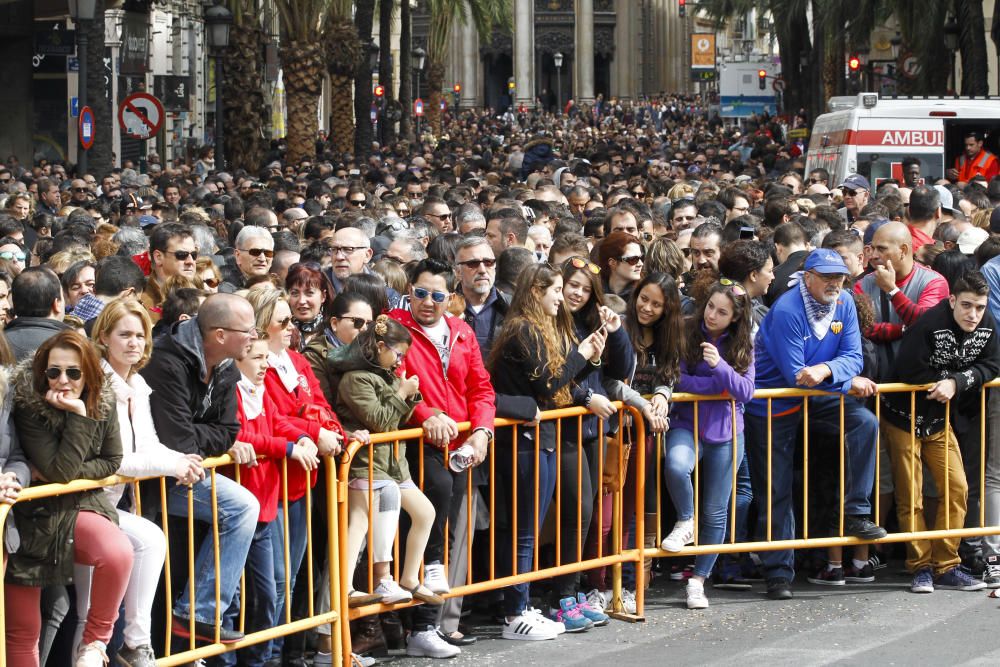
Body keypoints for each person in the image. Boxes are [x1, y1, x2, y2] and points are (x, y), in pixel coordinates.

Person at [747, 249, 887, 600]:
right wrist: (841, 379)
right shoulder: (786, 310)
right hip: (774, 401)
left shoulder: (845, 304)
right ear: (807, 277)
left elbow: (853, 357)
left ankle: (856, 512)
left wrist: (828, 371)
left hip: (821, 393)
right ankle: (778, 572)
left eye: (839, 276)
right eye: (826, 276)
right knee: (776, 489)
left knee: (864, 424)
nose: (835, 283)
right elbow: (796, 375)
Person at [82, 299, 205, 667]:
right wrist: (175, 463)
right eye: (125, 334)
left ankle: (137, 644)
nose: (134, 342)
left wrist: (177, 460)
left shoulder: (136, 383)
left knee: (94, 615)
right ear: (103, 337)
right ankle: (136, 644)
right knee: (85, 613)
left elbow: (148, 443)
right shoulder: (94, 384)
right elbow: (116, 458)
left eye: (140, 335)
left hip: (113, 505)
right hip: (81, 503)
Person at [488, 263, 608, 640]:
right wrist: (583, 354)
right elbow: (549, 384)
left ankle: (521, 605)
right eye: (555, 289)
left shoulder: (538, 329)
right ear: (536, 291)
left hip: (542, 438)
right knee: (524, 531)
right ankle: (514, 612)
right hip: (523, 443)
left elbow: (557, 390)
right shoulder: (523, 328)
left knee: (530, 529)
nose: (561, 297)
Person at [389, 259, 496, 659]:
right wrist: (426, 415)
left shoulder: (462, 331)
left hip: (461, 448)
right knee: (423, 531)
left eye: (437, 295)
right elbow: (393, 383)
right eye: (420, 293)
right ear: (409, 291)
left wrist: (483, 432)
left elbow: (482, 389)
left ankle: (428, 626)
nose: (428, 303)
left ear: (450, 297)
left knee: (446, 532)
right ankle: (418, 626)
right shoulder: (394, 326)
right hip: (415, 446)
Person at [7, 330, 133, 667]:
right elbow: (62, 471)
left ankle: (95, 645)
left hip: (81, 504)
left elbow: (111, 460)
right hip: (30, 515)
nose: (63, 380)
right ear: (42, 373)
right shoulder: (28, 403)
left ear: (88, 373)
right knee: (23, 631)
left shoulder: (102, 401)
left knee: (118, 552)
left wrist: (78, 415)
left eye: (73, 372)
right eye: (54, 372)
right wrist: (78, 419)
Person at [141, 293, 260, 644]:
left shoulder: (226, 364)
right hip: (153, 481)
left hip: (186, 472)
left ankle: (200, 612)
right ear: (220, 334)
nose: (255, 336)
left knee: (242, 507)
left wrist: (197, 435)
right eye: (248, 330)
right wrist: (199, 436)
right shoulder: (165, 360)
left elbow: (228, 432)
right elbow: (178, 441)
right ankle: (200, 611)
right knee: (242, 507)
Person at [245, 285, 345, 663]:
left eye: (291, 320)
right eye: (282, 321)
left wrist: (335, 431)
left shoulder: (297, 361)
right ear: (261, 323)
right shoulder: (255, 365)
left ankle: (282, 649)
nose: (291, 327)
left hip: (302, 479)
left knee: (291, 574)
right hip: (272, 477)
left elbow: (319, 402)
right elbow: (273, 418)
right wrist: (309, 433)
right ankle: (266, 653)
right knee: (273, 579)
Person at [882, 271, 997, 593]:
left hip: (939, 421)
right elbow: (908, 369)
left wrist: (956, 382)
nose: (973, 314)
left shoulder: (987, 323)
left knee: (957, 488)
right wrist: (948, 380)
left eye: (979, 307)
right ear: (951, 301)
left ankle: (947, 564)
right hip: (903, 417)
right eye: (966, 306)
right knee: (911, 496)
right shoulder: (929, 323)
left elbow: (994, 363)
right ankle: (920, 567)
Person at [329, 314, 442, 608]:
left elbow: (396, 419)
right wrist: (401, 393)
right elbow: (380, 421)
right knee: (359, 523)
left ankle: (409, 579)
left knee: (425, 513)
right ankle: (357, 584)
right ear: (380, 346)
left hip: (393, 464)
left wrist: (410, 396)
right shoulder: (355, 379)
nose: (399, 361)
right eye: (398, 354)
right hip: (367, 465)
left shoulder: (388, 375)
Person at [661, 279, 755, 609]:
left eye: (722, 311)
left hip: (728, 432)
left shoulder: (741, 343)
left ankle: (698, 581)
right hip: (688, 422)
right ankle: (686, 520)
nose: (712, 315)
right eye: (711, 307)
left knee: (716, 513)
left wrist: (720, 367)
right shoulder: (688, 330)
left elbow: (745, 391)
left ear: (735, 318)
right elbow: (676, 376)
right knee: (675, 464)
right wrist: (717, 386)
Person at [227, 332, 319, 666]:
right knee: (236, 599)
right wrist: (288, 448)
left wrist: (304, 436)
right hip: (240, 510)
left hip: (264, 508)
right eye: (257, 358)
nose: (265, 365)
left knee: (270, 593)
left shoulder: (260, 391)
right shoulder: (231, 391)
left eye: (267, 358)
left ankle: (262, 659)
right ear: (238, 360)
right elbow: (237, 433)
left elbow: (277, 421)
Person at [286, 262, 338, 349]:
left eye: (309, 293)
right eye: (295, 293)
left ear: (323, 296)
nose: (301, 301)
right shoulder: (281, 332)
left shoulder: (335, 331)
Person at [598, 231, 644, 301]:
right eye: (633, 259)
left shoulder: (643, 294)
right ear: (612, 263)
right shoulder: (594, 289)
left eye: (641, 258)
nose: (640, 264)